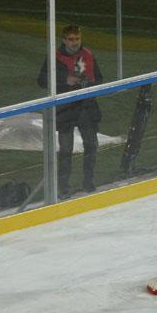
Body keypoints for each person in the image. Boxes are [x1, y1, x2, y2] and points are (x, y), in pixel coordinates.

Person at [37, 24, 103, 198]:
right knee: (66, 150)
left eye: (77, 39)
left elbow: (100, 78)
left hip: (87, 108)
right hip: (65, 109)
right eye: (71, 39)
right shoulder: (55, 57)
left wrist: (89, 84)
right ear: (64, 40)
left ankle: (89, 182)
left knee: (91, 145)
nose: (75, 42)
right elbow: (42, 80)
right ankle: (63, 188)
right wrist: (65, 80)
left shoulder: (88, 55)